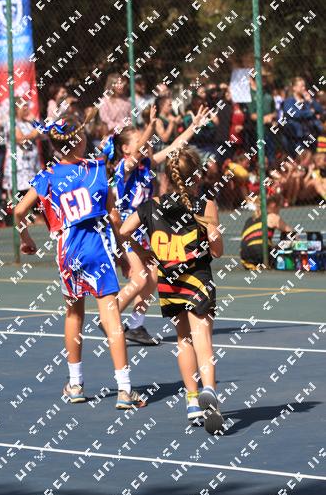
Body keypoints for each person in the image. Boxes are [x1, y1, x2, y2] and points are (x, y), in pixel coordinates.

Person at [14, 112, 150, 409]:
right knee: (111, 317)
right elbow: (114, 216)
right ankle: (124, 389)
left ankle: (75, 384)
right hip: (97, 246)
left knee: (74, 315)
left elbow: (19, 211)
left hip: (68, 249)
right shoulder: (97, 169)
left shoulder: (48, 175)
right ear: (79, 140)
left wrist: (26, 238)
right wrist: (122, 254)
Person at [120, 145, 225, 433]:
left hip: (170, 282)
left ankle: (192, 401)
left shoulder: (151, 205)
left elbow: (124, 230)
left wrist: (142, 251)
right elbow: (217, 251)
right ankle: (210, 391)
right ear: (197, 177)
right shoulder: (205, 205)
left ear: (166, 176)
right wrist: (212, 231)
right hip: (197, 279)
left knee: (183, 339)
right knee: (202, 337)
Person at [110, 103, 212, 345]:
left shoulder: (147, 164)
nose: (147, 143)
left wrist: (193, 126)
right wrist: (150, 126)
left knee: (153, 279)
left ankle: (135, 325)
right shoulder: (123, 168)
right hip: (126, 229)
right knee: (140, 279)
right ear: (125, 148)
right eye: (140, 141)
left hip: (144, 228)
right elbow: (137, 153)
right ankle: (109, 318)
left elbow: (174, 147)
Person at [3, 99, 44, 199]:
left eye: (27, 105)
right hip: (19, 169)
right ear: (16, 109)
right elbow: (21, 140)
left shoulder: (29, 123)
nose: (26, 108)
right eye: (23, 106)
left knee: (36, 199)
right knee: (22, 200)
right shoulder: (11, 123)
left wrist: (34, 121)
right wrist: (35, 132)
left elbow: (43, 135)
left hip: (33, 167)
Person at [240, 194, 292, 269]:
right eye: (279, 207)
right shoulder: (273, 217)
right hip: (262, 255)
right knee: (288, 237)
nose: (279, 210)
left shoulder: (249, 220)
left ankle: (258, 265)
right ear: (273, 205)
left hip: (245, 258)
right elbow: (292, 233)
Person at [282, 76, 323, 156]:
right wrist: (311, 112)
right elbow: (295, 114)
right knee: (300, 158)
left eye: (304, 86)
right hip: (296, 137)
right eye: (301, 86)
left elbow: (319, 109)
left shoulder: (307, 99)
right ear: (294, 88)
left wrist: (310, 100)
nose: (304, 88)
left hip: (310, 135)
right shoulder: (289, 101)